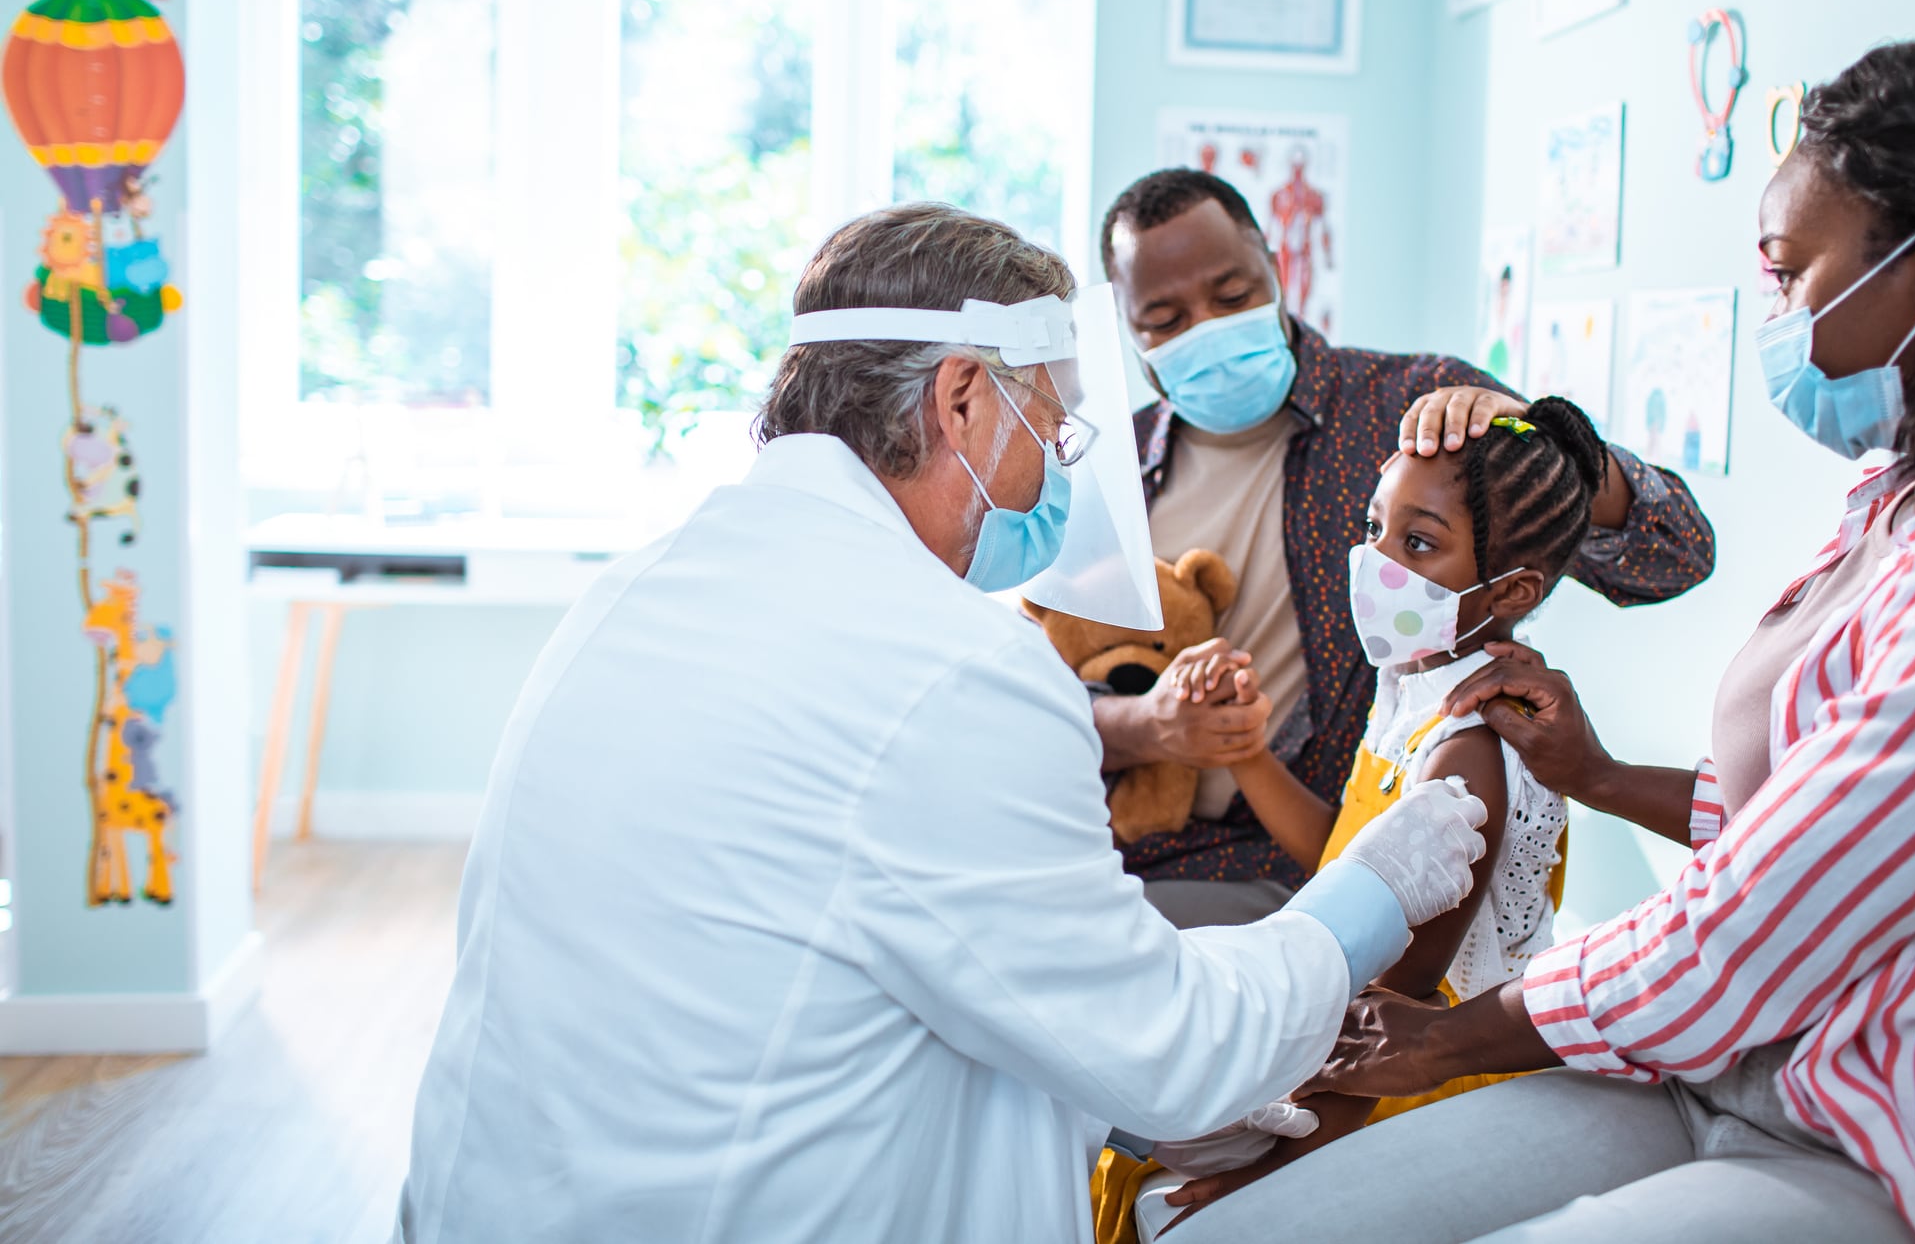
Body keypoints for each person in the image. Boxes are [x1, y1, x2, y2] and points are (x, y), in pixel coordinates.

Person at [1160, 27, 1915, 1242]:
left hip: (1901, 1130)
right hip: (1722, 1057)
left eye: (1787, 271)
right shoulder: (1901, 496)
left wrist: (1450, 1036)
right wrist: (1602, 776)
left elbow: (1766, 909)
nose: (1775, 310)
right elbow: (1805, 813)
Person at [393, 203, 1502, 1244]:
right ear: (963, 397)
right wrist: (1372, 889)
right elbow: (1174, 1050)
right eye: (1054, 433)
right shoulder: (951, 669)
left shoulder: (635, 591)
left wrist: (1102, 1098)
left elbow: (824, 948)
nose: (1053, 483)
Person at [1093, 168, 1716, 930]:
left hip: (1321, 868)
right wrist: (1149, 725)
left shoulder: (1418, 415)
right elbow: (1049, 695)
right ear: (1125, 330)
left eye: (1230, 296)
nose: (1208, 329)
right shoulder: (1110, 472)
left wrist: (1538, 430)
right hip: (1135, 850)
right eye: (1164, 318)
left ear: (1274, 265)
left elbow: (1674, 555)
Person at [1114, 397, 1610, 1243]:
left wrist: (1271, 1167)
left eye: (1417, 543)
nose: (1374, 561)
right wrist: (1246, 754)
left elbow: (1400, 1004)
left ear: (1513, 589)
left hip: (1412, 1068)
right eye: (1374, 526)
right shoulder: (1412, 684)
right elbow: (1339, 856)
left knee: (1153, 1189)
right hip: (1352, 1022)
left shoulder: (1472, 750)